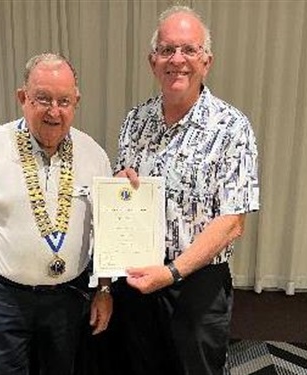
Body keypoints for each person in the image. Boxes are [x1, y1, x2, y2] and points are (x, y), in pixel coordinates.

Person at [0, 53, 113, 375]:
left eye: (64, 100)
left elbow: (105, 229)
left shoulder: (94, 154)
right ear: (23, 98)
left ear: (76, 101)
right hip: (3, 298)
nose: (53, 111)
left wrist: (104, 289)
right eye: (42, 99)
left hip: (67, 297)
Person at [113, 5, 260, 375]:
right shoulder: (135, 120)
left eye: (189, 50)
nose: (177, 60)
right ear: (152, 61)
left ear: (206, 61)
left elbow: (232, 222)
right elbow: (123, 191)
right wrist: (119, 187)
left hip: (198, 286)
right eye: (167, 50)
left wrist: (173, 272)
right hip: (138, 278)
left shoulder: (232, 127)